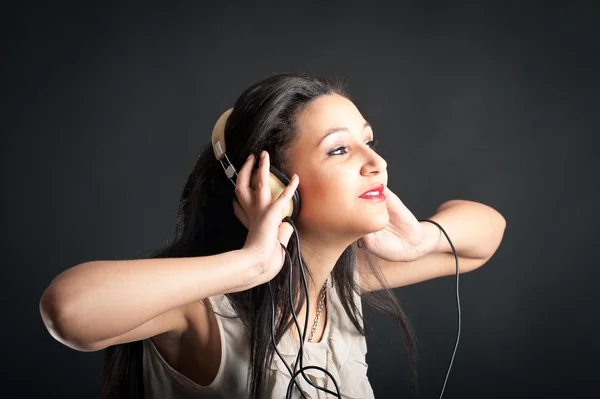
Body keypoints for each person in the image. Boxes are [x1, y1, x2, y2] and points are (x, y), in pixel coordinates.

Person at [39, 73, 505, 398]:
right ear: (277, 186)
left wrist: (420, 240)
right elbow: (69, 309)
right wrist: (251, 264)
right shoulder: (204, 311)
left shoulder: (343, 282)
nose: (376, 163)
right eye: (340, 149)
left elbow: (486, 235)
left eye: (370, 142)